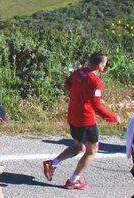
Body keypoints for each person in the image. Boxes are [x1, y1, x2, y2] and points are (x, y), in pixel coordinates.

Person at [43, 51, 120, 189]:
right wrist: (113, 118)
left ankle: (53, 163)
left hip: (73, 116)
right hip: (86, 120)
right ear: (100, 65)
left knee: (80, 147)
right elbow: (96, 105)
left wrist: (79, 96)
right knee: (92, 151)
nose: (105, 66)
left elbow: (67, 86)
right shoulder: (96, 81)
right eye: (105, 64)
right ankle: (73, 181)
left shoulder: (79, 72)